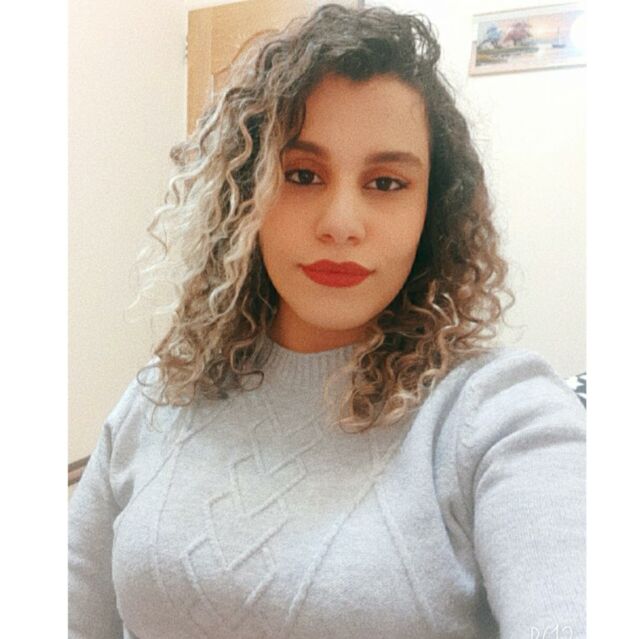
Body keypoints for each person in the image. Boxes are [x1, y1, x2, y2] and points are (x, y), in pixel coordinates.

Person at [68, 4, 586, 638]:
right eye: (302, 174)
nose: (341, 222)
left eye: (386, 183)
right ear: (245, 195)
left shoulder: (500, 415)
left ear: (432, 210)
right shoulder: (162, 395)